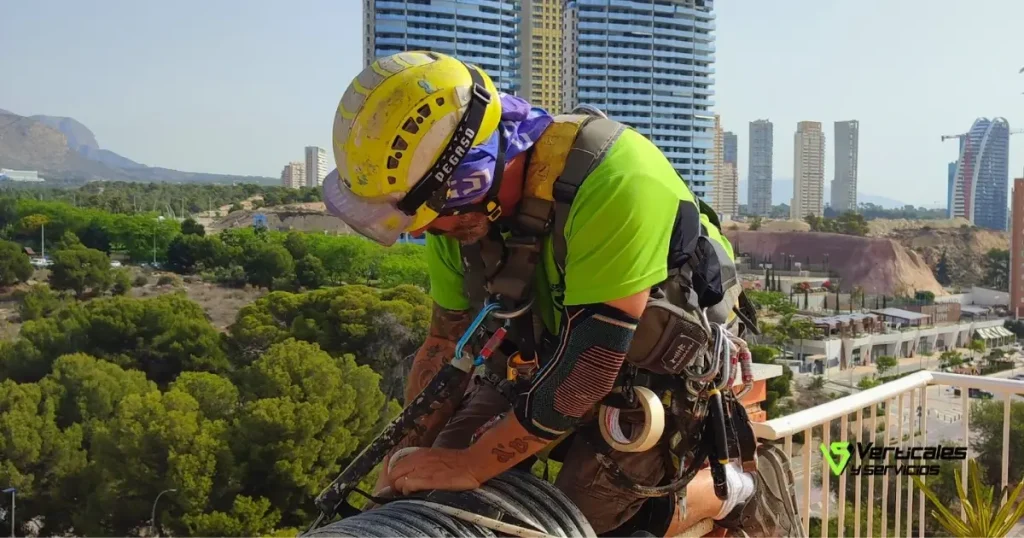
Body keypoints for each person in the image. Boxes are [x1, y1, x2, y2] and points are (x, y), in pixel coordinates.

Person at [325, 50, 804, 537]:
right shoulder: (459, 223)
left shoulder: (615, 178)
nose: (420, 232)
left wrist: (470, 465)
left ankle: (735, 490)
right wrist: (401, 464)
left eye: (425, 218)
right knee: (434, 499)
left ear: (471, 178)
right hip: (542, 357)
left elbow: (588, 370)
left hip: (643, 366)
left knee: (582, 523)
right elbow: (443, 343)